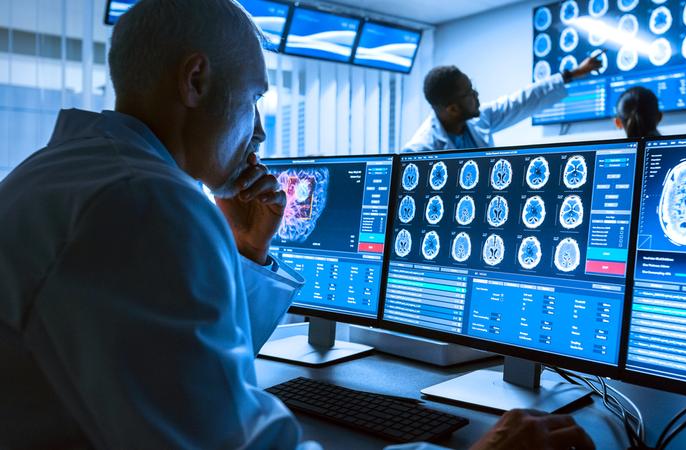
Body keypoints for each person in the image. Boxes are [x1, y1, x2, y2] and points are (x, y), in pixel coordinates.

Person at [0, 1, 595, 449]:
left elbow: (199, 368)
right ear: (195, 81)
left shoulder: (76, 175)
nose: (259, 133)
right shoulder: (142, 203)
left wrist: (246, 252)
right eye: (254, 99)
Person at [402, 57, 602, 152]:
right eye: (469, 93)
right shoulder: (420, 150)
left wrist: (573, 73)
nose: (476, 94)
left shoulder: (479, 119)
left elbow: (522, 101)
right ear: (452, 108)